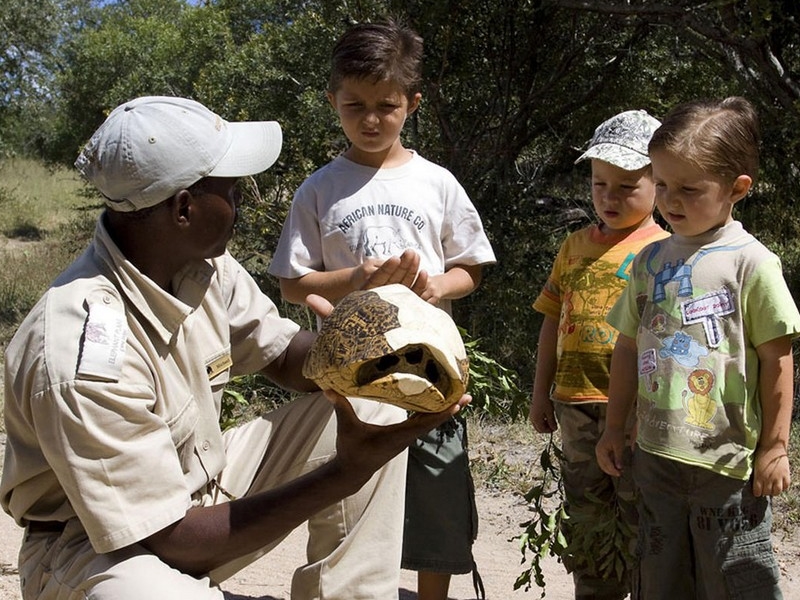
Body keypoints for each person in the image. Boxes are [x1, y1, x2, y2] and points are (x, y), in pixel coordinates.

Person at [0, 95, 470, 600]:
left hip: (197, 490)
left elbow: (284, 357)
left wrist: (360, 343)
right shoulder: (83, 350)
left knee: (371, 401)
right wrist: (345, 472)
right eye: (230, 187)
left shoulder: (202, 265)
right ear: (184, 207)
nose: (241, 197)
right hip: (97, 548)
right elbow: (170, 541)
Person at [268, 20, 496, 600]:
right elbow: (293, 282)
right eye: (355, 106)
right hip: (351, 375)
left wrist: (437, 287)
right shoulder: (319, 189)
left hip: (431, 370)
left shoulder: (436, 183)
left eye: (386, 106)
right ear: (332, 102)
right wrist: (355, 279)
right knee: (349, 494)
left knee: (437, 487)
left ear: (411, 104)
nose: (370, 119)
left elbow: (470, 267)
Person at [596, 97, 800, 600]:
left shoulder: (752, 264)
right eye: (663, 184)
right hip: (655, 456)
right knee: (660, 578)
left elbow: (777, 358)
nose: (671, 200)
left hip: (726, 464)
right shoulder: (648, 261)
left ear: (737, 189)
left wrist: (774, 447)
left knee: (732, 579)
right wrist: (614, 426)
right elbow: (627, 347)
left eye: (689, 189)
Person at [529, 109, 668, 599]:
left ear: (659, 185)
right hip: (574, 404)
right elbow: (552, 320)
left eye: (627, 186)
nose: (610, 197)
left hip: (635, 412)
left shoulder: (665, 251)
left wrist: (641, 412)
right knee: (586, 514)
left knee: (638, 513)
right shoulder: (573, 247)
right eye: (599, 184)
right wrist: (540, 393)